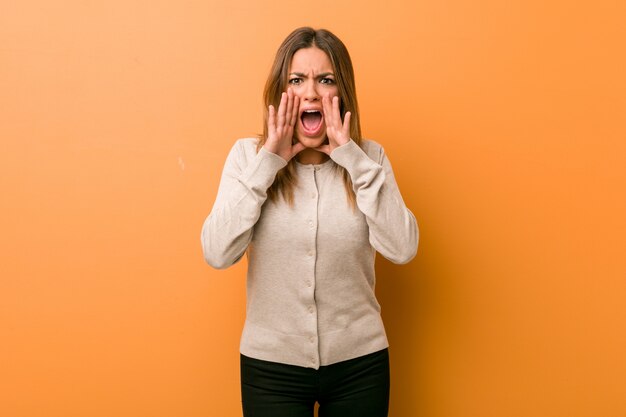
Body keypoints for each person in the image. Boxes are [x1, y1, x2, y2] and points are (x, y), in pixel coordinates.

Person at [201, 27, 418, 417]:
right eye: (297, 80)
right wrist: (269, 160)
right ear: (280, 92)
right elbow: (217, 252)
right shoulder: (247, 158)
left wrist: (352, 158)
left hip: (360, 366)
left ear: (342, 93)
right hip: (271, 370)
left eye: (326, 79)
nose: (312, 92)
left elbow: (403, 248)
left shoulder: (370, 157)